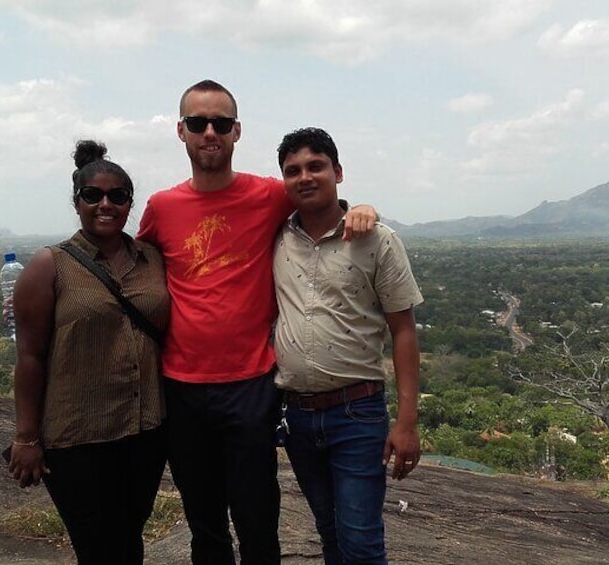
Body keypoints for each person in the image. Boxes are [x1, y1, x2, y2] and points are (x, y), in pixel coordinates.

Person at [137, 80, 377, 564]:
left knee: (257, 519)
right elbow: (136, 268)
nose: (210, 132)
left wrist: (362, 207)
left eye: (221, 123)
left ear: (236, 131)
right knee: (204, 523)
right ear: (180, 131)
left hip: (250, 384)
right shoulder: (162, 207)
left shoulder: (268, 195)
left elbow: (320, 200)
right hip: (180, 386)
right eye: (199, 123)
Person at [8, 140, 170, 564]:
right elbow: (29, 356)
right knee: (97, 548)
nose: (105, 204)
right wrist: (25, 437)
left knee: (129, 539)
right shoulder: (50, 265)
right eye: (93, 195)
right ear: (76, 201)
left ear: (129, 203)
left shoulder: (151, 258)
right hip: (78, 436)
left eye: (117, 196)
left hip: (145, 429)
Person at [273, 127, 422, 565]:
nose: (305, 177)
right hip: (297, 414)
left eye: (316, 166)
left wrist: (407, 422)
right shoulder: (276, 238)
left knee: (360, 541)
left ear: (337, 171)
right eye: (293, 170)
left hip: (356, 413)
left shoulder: (377, 240)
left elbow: (404, 330)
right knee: (330, 532)